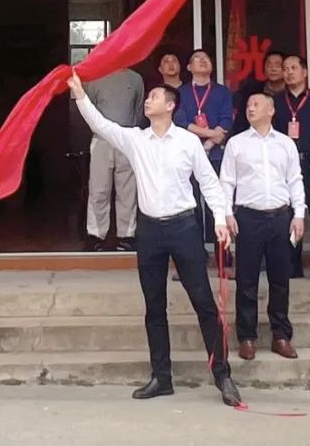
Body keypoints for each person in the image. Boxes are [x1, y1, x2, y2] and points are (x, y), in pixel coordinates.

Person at [68, 71, 241, 407]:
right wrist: (79, 93)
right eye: (147, 97)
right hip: (149, 231)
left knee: (203, 302)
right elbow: (101, 125)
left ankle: (222, 374)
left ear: (171, 105)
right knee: (154, 306)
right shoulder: (136, 140)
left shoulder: (187, 142)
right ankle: (161, 377)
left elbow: (208, 182)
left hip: (184, 227)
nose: (147, 100)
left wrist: (220, 219)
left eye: (154, 97)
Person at [220, 93, 304, 361]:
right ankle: (246, 337)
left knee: (280, 279)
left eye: (256, 104)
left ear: (271, 109)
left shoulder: (285, 143)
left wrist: (299, 214)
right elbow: (227, 181)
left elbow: (295, 179)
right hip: (248, 217)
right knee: (246, 279)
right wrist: (226, 213)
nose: (251, 108)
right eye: (248, 105)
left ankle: (281, 335)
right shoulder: (236, 143)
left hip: (280, 216)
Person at [272, 53, 310, 280]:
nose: (288, 72)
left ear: (305, 72)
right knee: (288, 214)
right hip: (285, 165)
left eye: (293, 68)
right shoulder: (276, 101)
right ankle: (292, 267)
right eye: (285, 68)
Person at [84, 68, 143, 252]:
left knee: (127, 189)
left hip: (127, 139)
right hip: (101, 139)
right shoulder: (94, 78)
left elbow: (138, 111)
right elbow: (89, 109)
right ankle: (95, 235)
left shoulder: (135, 78)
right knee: (98, 189)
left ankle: (126, 235)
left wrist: (130, 135)